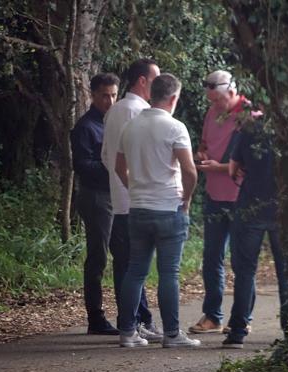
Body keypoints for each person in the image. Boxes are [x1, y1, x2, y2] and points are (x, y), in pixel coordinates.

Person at [115, 73, 200, 348]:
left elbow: (118, 166)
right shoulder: (175, 127)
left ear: (151, 93)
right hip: (168, 208)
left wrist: (135, 188)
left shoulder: (130, 127)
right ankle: (172, 334)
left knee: (135, 270)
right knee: (169, 274)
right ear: (173, 97)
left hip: (138, 208)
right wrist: (186, 199)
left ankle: (127, 331)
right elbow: (189, 171)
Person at [101, 59, 162, 341]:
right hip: (135, 199)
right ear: (142, 81)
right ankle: (134, 322)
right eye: (155, 78)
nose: (158, 84)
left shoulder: (115, 110)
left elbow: (106, 156)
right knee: (132, 266)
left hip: (119, 195)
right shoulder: (140, 113)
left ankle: (140, 319)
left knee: (129, 264)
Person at [189, 70, 252, 334]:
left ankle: (242, 319)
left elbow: (248, 165)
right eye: (211, 101)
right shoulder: (212, 112)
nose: (214, 106)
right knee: (211, 256)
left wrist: (217, 167)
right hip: (215, 195)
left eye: (218, 100)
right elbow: (205, 141)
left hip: (241, 197)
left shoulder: (249, 115)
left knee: (241, 261)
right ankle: (213, 315)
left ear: (232, 91)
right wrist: (201, 153)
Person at [222, 118, 288, 349]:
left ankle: (237, 332)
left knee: (245, 271)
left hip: (251, 205)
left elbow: (233, 168)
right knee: (285, 273)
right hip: (283, 208)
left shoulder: (249, 129)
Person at [71, 73, 120, 335]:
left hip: (114, 195)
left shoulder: (115, 122)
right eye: (104, 95)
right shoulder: (86, 127)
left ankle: (128, 315)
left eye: (113, 95)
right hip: (96, 196)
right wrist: (111, 168)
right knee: (98, 257)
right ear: (93, 94)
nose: (110, 100)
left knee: (122, 254)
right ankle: (96, 317)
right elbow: (81, 165)